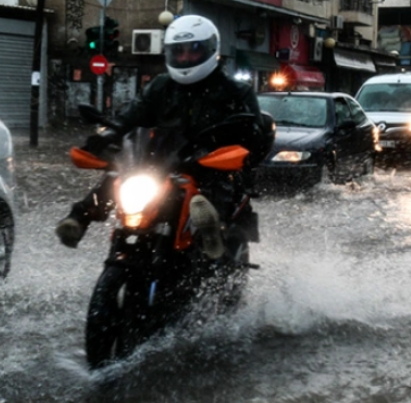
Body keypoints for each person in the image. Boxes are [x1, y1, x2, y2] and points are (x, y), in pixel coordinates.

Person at [55, 14, 275, 254]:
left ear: (211, 50)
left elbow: (254, 133)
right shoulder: (161, 86)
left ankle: (212, 234)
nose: (185, 57)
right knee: (119, 176)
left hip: (209, 163)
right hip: (163, 161)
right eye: (178, 51)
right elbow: (133, 114)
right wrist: (110, 134)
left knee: (217, 187)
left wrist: (237, 135)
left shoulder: (235, 91)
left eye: (193, 51)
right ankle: (77, 219)